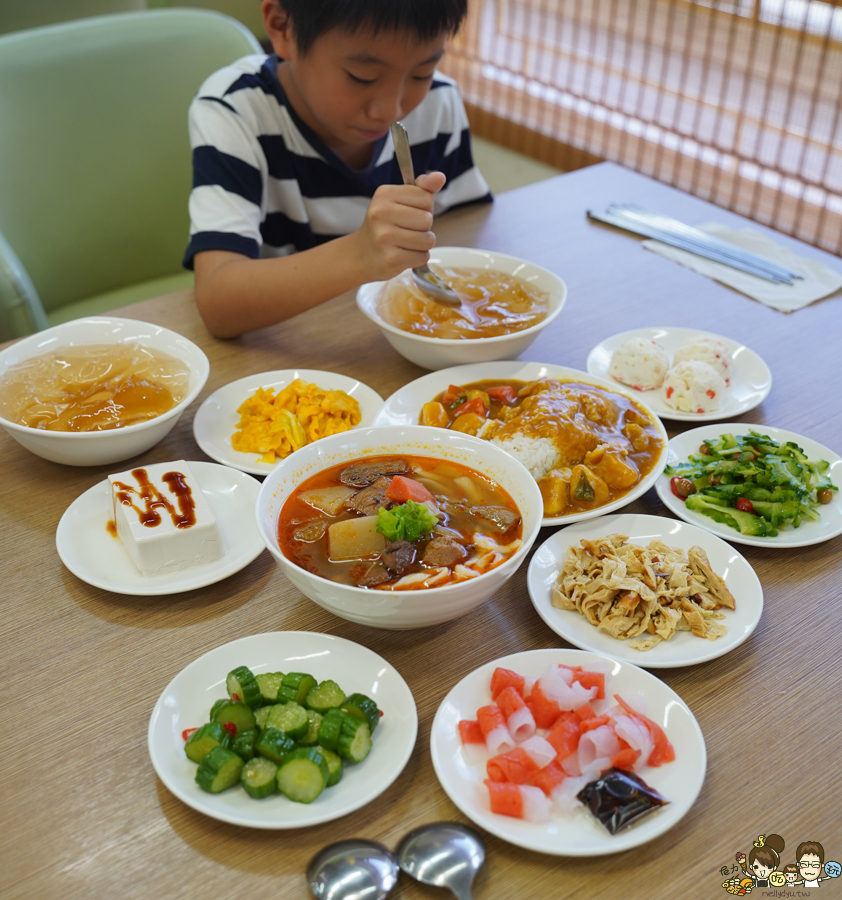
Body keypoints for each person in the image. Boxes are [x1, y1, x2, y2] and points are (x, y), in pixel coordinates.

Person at [184, 0, 491, 338]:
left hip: (388, 338)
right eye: (362, 77)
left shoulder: (438, 100)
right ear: (283, 27)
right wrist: (359, 255)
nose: (390, 109)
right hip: (293, 343)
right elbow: (218, 303)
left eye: (421, 74)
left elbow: (471, 235)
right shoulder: (236, 109)